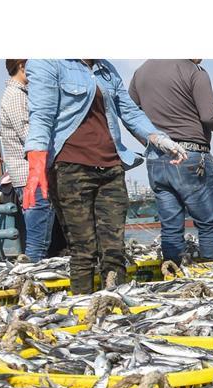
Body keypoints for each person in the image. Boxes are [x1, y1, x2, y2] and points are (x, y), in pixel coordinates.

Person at [23, 59, 188, 294]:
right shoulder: (47, 62)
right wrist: (36, 167)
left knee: (114, 249)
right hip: (70, 169)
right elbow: (41, 116)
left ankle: (115, 306)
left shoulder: (105, 69)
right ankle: (82, 303)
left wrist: (160, 139)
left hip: (111, 168)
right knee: (83, 249)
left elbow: (130, 112)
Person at [128, 59, 213, 264]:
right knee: (208, 224)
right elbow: (210, 115)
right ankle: (209, 274)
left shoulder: (141, 72)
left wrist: (151, 141)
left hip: (156, 158)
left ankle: (172, 276)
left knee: (170, 226)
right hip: (191, 156)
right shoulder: (195, 72)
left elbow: (131, 115)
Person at [0, 59, 56, 262]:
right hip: (31, 177)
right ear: (22, 66)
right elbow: (30, 137)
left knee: (42, 242)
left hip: (33, 176)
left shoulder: (21, 94)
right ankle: (30, 281)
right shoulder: (16, 96)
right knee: (38, 244)